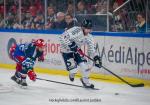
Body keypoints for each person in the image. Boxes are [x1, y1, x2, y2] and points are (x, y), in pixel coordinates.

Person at [59, 19, 101, 88]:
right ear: (83, 27)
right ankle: (71, 74)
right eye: (88, 29)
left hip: (77, 51)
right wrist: (70, 45)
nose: (89, 31)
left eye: (90, 29)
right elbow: (62, 37)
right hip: (66, 51)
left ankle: (86, 82)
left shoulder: (89, 37)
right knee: (74, 71)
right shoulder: (76, 30)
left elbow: (91, 49)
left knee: (85, 66)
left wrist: (96, 57)